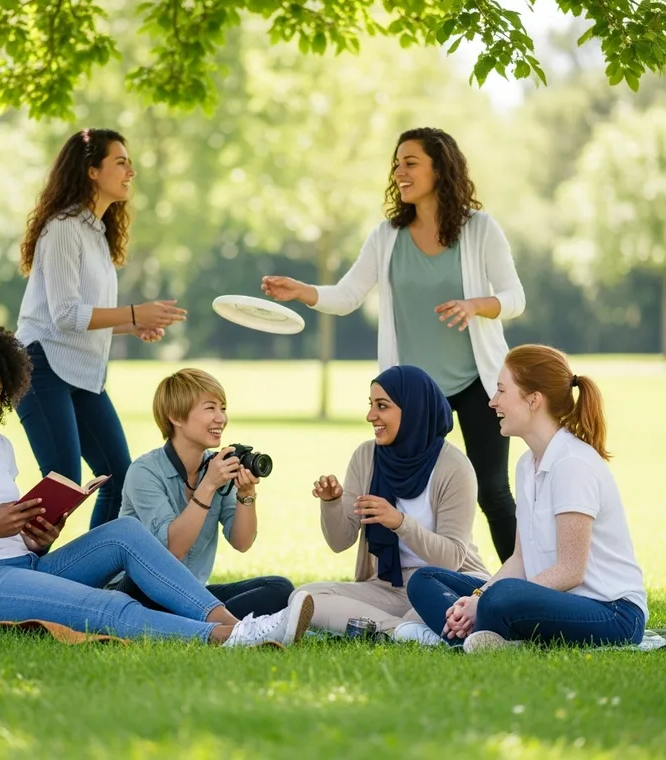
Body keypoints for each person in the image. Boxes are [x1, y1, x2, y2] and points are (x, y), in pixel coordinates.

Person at [0, 315, 314, 648]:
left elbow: (14, 538)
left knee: (123, 532)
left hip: (28, 563)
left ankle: (232, 623)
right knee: (108, 604)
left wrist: (38, 536)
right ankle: (226, 638)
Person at [262, 127, 525, 562]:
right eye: (396, 164)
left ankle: (526, 585)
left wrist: (476, 305)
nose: (399, 172)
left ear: (440, 169)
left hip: (478, 382)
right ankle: (412, 582)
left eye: (410, 162)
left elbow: (515, 298)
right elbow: (347, 296)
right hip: (416, 395)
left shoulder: (480, 230)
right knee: (411, 491)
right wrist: (302, 290)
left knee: (494, 492)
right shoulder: (387, 236)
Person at [406, 345, 648, 652]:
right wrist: (477, 599)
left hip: (612, 614)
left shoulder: (572, 464)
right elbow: (520, 559)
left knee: (501, 596)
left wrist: (485, 601)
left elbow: (572, 570)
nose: (492, 402)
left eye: (501, 391)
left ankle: (473, 634)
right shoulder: (526, 465)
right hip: (547, 600)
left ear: (534, 400)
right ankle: (483, 635)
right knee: (424, 580)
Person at [15, 128, 187, 529]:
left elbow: (87, 318)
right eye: (121, 162)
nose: (132, 171)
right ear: (92, 170)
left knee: (120, 476)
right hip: (42, 366)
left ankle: (95, 575)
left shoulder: (97, 232)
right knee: (62, 483)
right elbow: (65, 316)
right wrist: (131, 314)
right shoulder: (62, 227)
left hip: (83, 373)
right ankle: (9, 573)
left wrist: (133, 325)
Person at [293, 365, 489, 642]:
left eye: (382, 406)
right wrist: (332, 503)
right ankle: (402, 632)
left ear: (413, 410)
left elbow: (451, 559)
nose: (370, 416)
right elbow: (340, 542)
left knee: (424, 612)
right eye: (371, 405)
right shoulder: (366, 456)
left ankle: (403, 628)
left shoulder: (454, 467)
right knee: (305, 597)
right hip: (390, 587)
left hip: (446, 586)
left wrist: (399, 522)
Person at [117, 369, 295, 618]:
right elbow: (171, 551)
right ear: (176, 417)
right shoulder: (145, 472)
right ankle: (220, 624)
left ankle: (203, 622)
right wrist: (208, 485)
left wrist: (246, 493)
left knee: (280, 589)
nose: (221, 418)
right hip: (139, 591)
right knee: (146, 578)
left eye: (223, 408)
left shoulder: (216, 467)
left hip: (192, 592)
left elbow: (241, 542)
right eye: (210, 408)